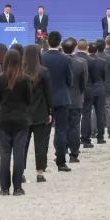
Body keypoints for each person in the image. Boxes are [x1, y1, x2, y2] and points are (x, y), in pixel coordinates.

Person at [0, 46, 53, 194]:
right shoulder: (25, 79)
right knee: (19, 153)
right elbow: (28, 99)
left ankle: (4, 188)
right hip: (21, 120)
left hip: (3, 119)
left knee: (5, 155)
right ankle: (17, 187)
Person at [40, 31, 73, 170]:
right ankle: (61, 162)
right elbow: (70, 80)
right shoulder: (66, 59)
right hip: (62, 98)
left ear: (48, 41)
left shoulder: (42, 58)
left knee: (44, 133)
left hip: (45, 100)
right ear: (60, 42)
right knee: (61, 131)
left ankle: (42, 164)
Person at [64, 38, 87, 164]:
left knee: (61, 128)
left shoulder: (58, 61)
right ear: (75, 48)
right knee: (74, 127)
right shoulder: (81, 62)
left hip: (61, 100)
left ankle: (61, 153)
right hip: (76, 98)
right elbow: (84, 83)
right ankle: (74, 154)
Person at [84, 41, 109, 146]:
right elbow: (104, 76)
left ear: (88, 49)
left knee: (86, 114)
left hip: (88, 90)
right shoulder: (103, 61)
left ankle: (86, 137)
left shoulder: (84, 61)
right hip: (100, 89)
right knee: (100, 114)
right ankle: (100, 137)